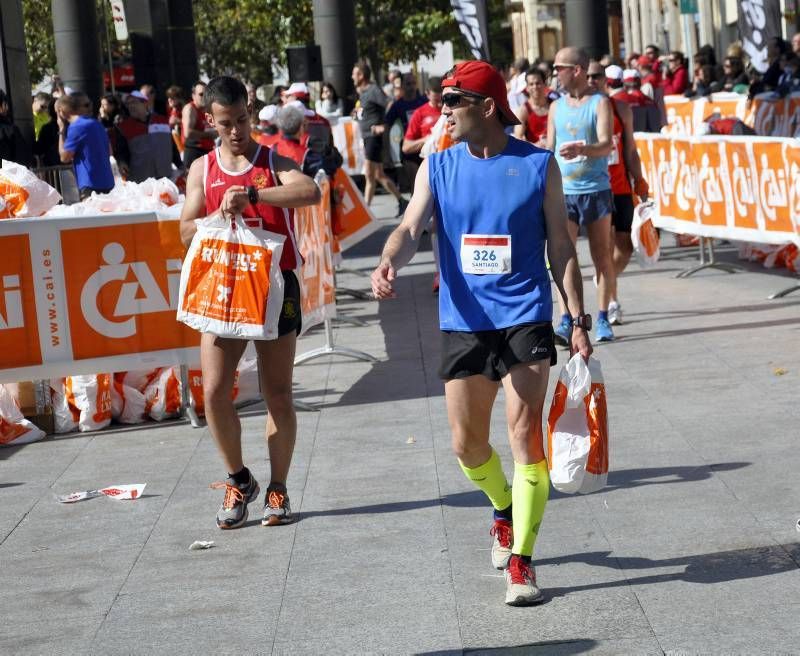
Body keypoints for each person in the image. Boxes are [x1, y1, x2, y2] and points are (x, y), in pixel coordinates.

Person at [371, 60, 592, 607]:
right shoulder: (439, 167)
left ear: (487, 107)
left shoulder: (539, 165)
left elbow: (561, 248)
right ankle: (502, 507)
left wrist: (577, 318)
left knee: (524, 437)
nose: (443, 111)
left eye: (453, 101)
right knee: (467, 444)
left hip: (525, 316)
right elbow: (408, 226)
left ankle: (522, 561)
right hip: (464, 322)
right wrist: (387, 261)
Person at [178, 76, 320, 530]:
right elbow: (184, 230)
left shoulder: (271, 158)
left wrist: (256, 194)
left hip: (275, 287)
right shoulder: (203, 168)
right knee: (215, 392)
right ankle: (239, 477)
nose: (236, 131)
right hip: (225, 289)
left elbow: (309, 192)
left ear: (250, 110)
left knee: (277, 393)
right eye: (226, 123)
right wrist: (215, 215)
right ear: (210, 121)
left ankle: (278, 486)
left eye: (242, 120)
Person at [547, 47, 615, 344]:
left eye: (559, 68)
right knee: (564, 256)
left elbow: (606, 145)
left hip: (596, 190)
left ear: (576, 70)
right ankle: (566, 319)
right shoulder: (556, 107)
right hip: (565, 193)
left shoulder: (600, 103)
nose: (555, 74)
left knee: (602, 256)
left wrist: (582, 149)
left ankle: (602, 317)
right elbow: (549, 151)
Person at [588, 61, 649, 326]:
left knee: (624, 249)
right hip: (596, 188)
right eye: (588, 76)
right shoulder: (579, 111)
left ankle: (605, 277)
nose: (592, 80)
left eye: (597, 76)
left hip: (621, 186)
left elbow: (630, 149)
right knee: (606, 248)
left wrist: (639, 178)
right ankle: (611, 302)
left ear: (606, 79)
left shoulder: (620, 108)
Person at [351, 60, 407, 214]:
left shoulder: (373, 90)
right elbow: (366, 111)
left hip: (373, 137)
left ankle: (365, 211)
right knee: (377, 174)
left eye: (354, 74)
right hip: (367, 137)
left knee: (370, 174)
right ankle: (402, 200)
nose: (352, 77)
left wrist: (383, 125)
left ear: (361, 75)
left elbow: (389, 104)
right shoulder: (362, 93)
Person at [56, 92, 114, 198]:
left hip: (90, 184)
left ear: (62, 112)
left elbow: (64, 157)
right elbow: (110, 151)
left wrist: (61, 131)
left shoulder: (77, 127)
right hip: (108, 182)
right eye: (86, 105)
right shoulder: (97, 124)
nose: (90, 108)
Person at [114, 90, 175, 182]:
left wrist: (180, 165)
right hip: (140, 181)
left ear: (145, 104)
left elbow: (172, 146)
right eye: (128, 104)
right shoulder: (123, 127)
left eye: (134, 102)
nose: (131, 106)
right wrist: (122, 162)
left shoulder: (162, 121)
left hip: (165, 178)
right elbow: (120, 150)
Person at [182, 81, 217, 170]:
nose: (204, 97)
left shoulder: (207, 109)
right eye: (201, 94)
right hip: (195, 152)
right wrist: (209, 135)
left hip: (208, 151)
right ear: (193, 96)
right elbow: (187, 133)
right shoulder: (190, 109)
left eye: (206, 94)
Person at [513, 69, 550, 147]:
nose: (535, 87)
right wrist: (538, 145)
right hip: (535, 155)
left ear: (545, 84)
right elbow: (518, 139)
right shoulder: (523, 110)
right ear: (527, 88)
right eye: (531, 84)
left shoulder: (554, 105)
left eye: (538, 83)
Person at [0, 89, 31, 165]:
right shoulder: (10, 130)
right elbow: (22, 159)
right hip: (7, 175)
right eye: (5, 104)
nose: (7, 108)